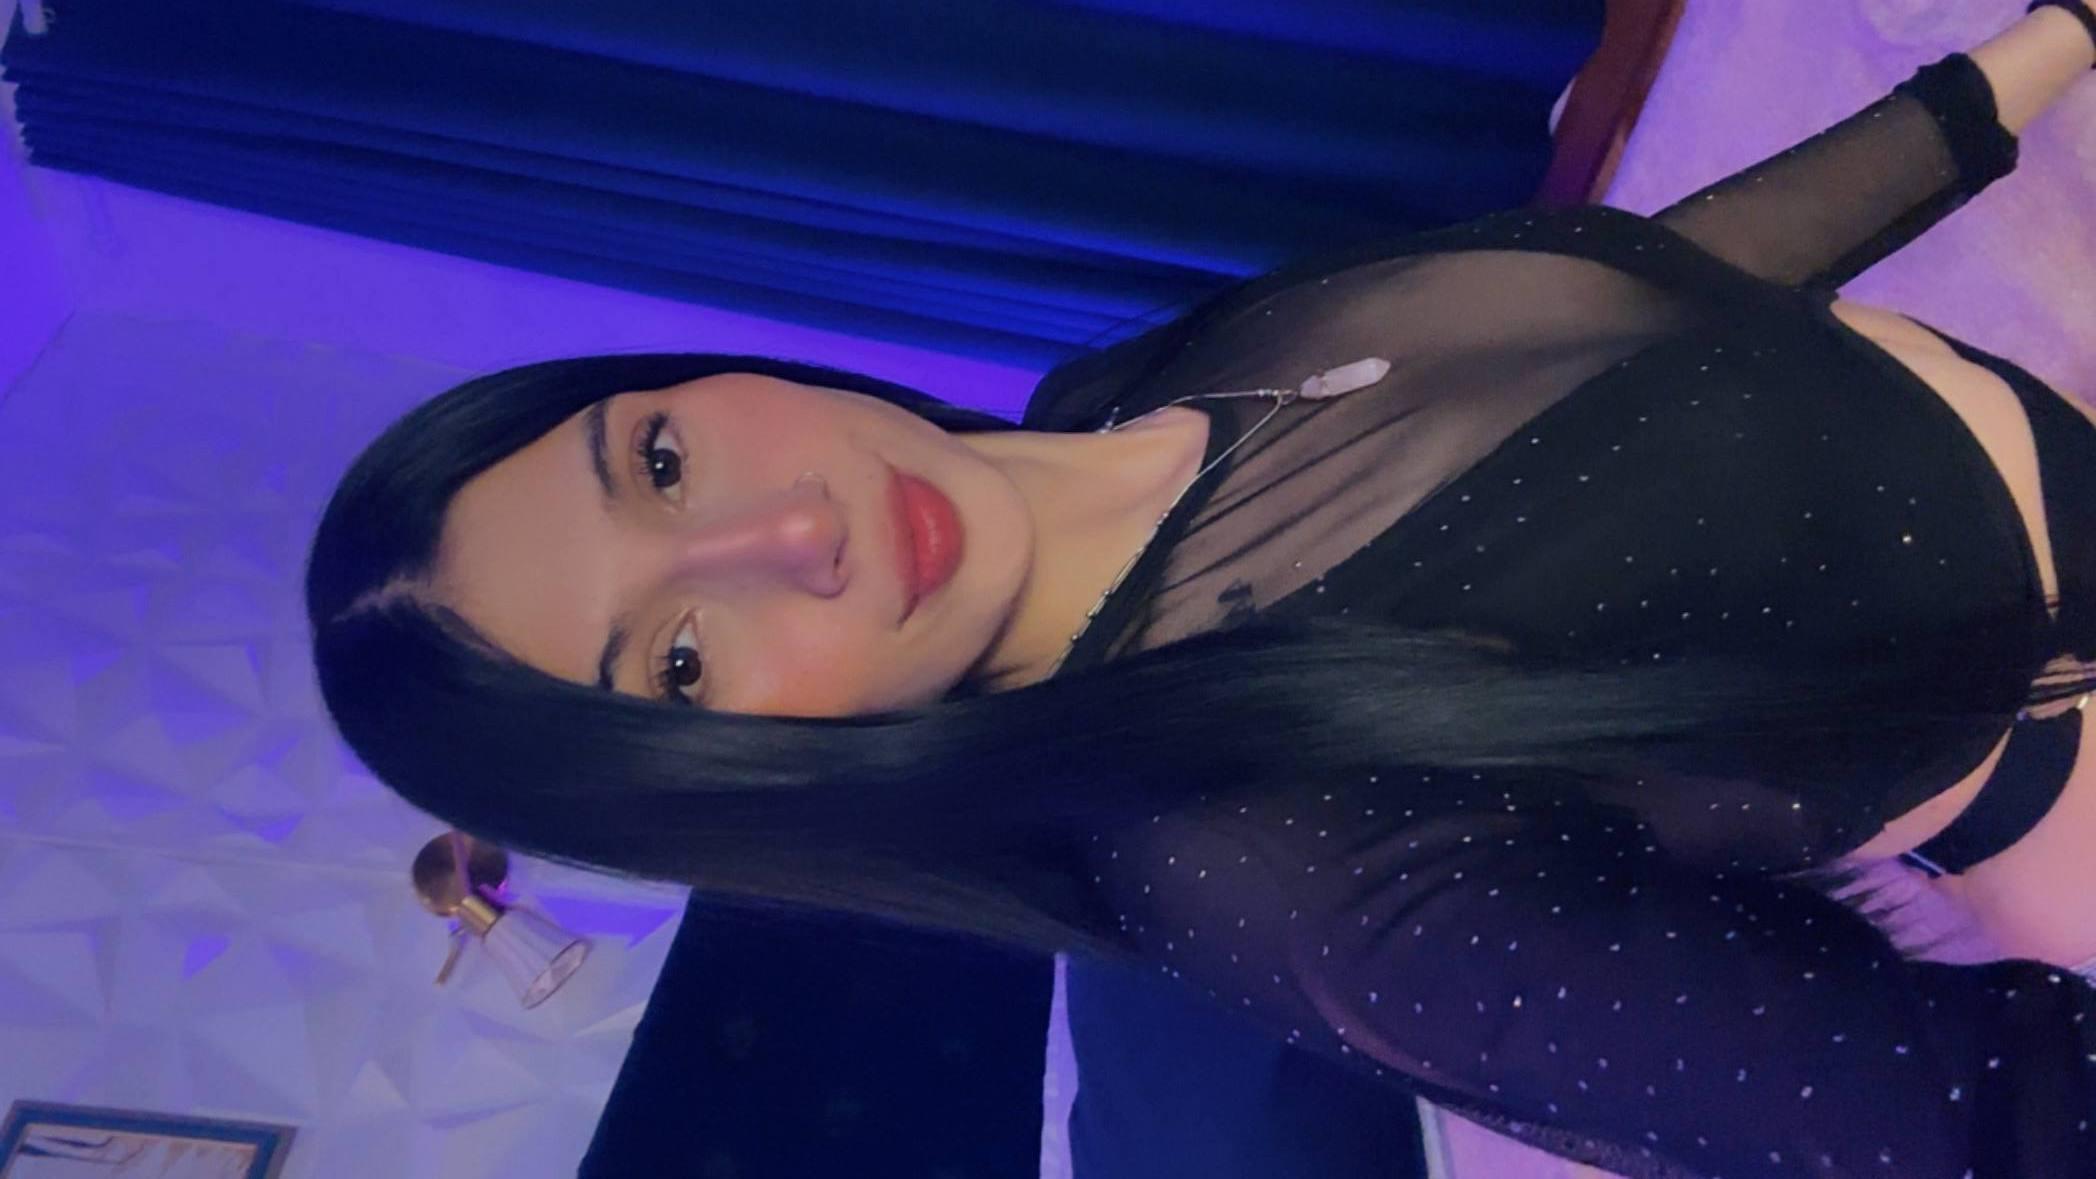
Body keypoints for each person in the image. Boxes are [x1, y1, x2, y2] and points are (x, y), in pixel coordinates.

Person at [307, 5, 2096, 1176]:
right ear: (736, 789)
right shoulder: (1276, 867)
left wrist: (2033, 59)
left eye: (658, 460)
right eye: (682, 661)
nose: (786, 538)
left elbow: (1619, 299)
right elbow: (1989, 1125)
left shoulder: (1096, 395)